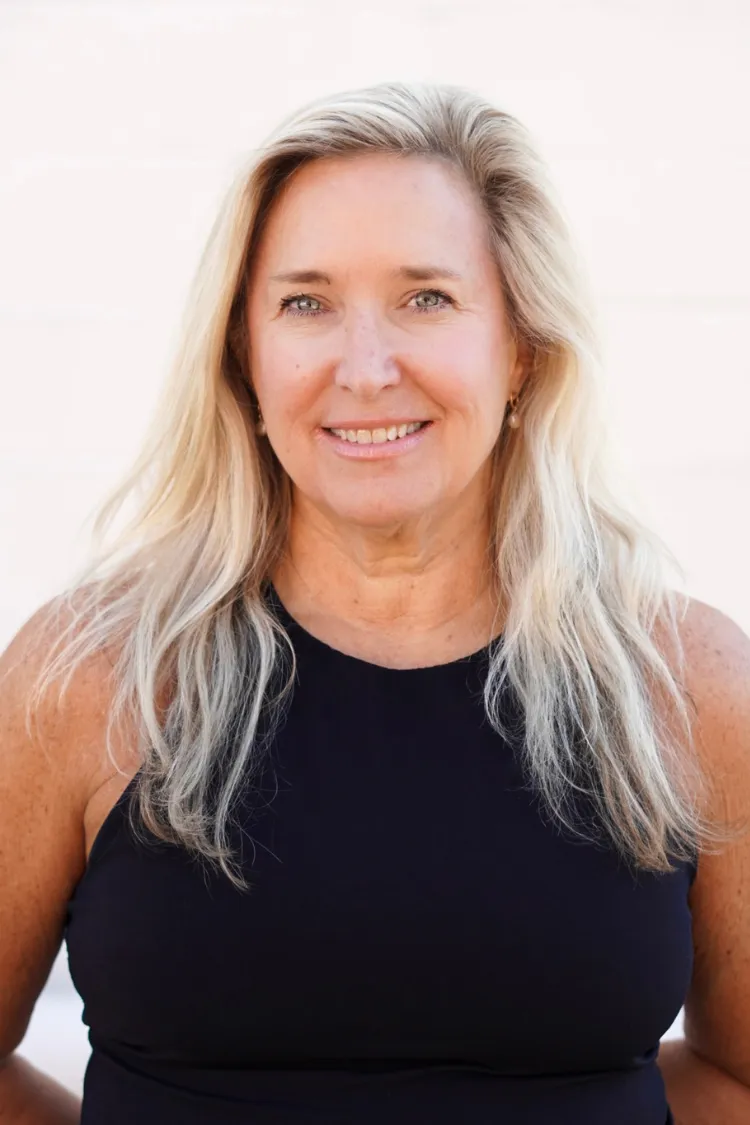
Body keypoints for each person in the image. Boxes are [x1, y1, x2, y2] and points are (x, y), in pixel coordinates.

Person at [1, 81, 749, 1125]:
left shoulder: (692, 687)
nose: (365, 368)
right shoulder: (87, 677)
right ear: (243, 356)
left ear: (521, 344)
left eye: (426, 298)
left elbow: (737, 1079)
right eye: (305, 302)